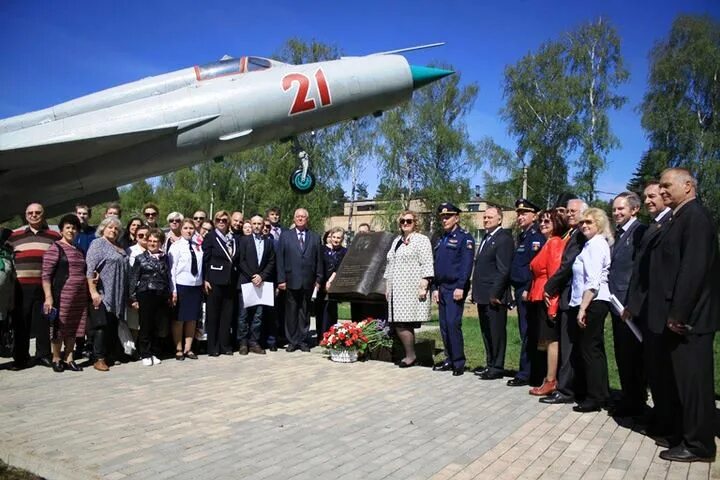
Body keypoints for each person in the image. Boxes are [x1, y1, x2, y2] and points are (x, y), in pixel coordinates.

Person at [642, 168, 718, 463]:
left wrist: (678, 312)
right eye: (659, 186)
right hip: (678, 317)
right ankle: (684, 433)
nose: (661, 191)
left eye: (666, 186)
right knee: (680, 381)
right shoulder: (680, 217)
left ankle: (700, 445)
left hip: (690, 320)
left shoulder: (695, 217)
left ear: (688, 186)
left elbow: (693, 270)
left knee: (694, 384)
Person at [623, 181, 673, 437]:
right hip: (644, 304)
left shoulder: (669, 224)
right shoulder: (655, 226)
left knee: (660, 368)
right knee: (652, 366)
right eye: (647, 197)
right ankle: (658, 415)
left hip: (658, 307)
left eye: (654, 196)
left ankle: (666, 420)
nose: (650, 200)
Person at [540, 198, 588, 405]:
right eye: (567, 211)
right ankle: (570, 387)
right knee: (568, 344)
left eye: (574, 211)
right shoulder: (572, 234)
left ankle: (567, 390)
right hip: (569, 295)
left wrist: (549, 287)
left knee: (570, 347)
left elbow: (567, 265)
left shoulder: (580, 236)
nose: (569, 214)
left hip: (574, 295)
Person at [607, 192, 648, 417]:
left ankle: (636, 401)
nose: (616, 213)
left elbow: (639, 272)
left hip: (629, 307)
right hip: (616, 303)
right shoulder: (618, 234)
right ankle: (628, 396)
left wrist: (632, 304)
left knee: (633, 356)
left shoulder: (639, 231)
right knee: (622, 354)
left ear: (634, 210)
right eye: (614, 209)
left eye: (621, 209)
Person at [7, 202, 61, 369]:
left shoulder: (54, 236)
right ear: (26, 215)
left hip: (44, 286)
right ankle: (21, 358)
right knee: (20, 322)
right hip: (20, 286)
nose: (34, 215)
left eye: (37, 212)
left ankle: (43, 355)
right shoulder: (14, 236)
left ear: (43, 214)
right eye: (30, 213)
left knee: (43, 321)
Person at [570, 208, 613, 413]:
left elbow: (593, 281)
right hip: (592, 301)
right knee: (594, 349)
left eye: (589, 222)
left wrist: (583, 308)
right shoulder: (591, 244)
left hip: (593, 301)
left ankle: (594, 397)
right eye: (582, 222)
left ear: (599, 224)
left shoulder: (596, 245)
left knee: (589, 350)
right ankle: (601, 393)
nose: (584, 225)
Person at [384, 211, 434, 367]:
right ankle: (409, 354)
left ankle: (411, 356)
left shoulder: (421, 240)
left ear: (415, 223)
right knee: (399, 322)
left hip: (411, 288)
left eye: (409, 221)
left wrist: (424, 285)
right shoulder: (397, 241)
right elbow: (389, 264)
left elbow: (427, 263)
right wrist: (387, 286)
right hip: (396, 289)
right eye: (402, 221)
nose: (405, 223)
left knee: (404, 323)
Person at [528, 210, 569, 396]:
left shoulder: (554, 243)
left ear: (557, 223)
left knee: (551, 341)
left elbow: (554, 275)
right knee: (545, 341)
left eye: (547, 221)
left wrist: (552, 306)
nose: (542, 224)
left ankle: (551, 380)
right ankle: (548, 378)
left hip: (547, 298)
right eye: (541, 221)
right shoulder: (547, 243)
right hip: (538, 296)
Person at [41, 214, 88, 372]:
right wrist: (48, 297)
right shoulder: (55, 248)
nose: (71, 230)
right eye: (68, 227)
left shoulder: (80, 250)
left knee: (74, 326)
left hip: (79, 295)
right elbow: (46, 275)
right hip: (62, 294)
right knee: (59, 327)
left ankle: (69, 357)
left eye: (74, 228)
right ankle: (56, 358)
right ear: (61, 230)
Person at [431, 203, 474, 376]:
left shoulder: (465, 237)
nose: (445, 219)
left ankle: (458, 362)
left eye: (448, 216)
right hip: (441, 288)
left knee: (453, 324)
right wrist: (434, 287)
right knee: (443, 326)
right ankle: (449, 359)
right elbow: (434, 264)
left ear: (457, 217)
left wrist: (460, 286)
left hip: (455, 287)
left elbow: (466, 264)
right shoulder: (441, 237)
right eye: (442, 217)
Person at [472, 206, 513, 380]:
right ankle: (490, 363)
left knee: (496, 332)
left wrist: (495, 294)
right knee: (486, 331)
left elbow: (503, 270)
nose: (486, 219)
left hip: (494, 296)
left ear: (500, 219)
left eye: (490, 217)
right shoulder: (487, 238)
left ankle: (497, 366)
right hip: (482, 294)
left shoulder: (503, 239)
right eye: (485, 217)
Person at [508, 199, 545, 387]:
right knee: (526, 333)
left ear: (534, 215)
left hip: (529, 291)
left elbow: (537, 268)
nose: (520, 217)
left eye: (524, 213)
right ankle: (530, 372)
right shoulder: (523, 236)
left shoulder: (537, 237)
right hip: (521, 289)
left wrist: (529, 288)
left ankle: (527, 374)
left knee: (529, 333)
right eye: (518, 213)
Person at [86, 216, 129, 372]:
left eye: (116, 228)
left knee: (112, 325)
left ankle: (110, 354)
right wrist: (93, 292)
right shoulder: (98, 244)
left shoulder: (119, 246)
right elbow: (90, 269)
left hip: (118, 293)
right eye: (110, 227)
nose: (113, 230)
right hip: (103, 292)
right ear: (103, 228)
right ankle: (99, 358)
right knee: (101, 326)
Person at [276, 208, 322, 352]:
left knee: (305, 311)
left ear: (307, 219)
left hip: (308, 280)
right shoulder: (285, 236)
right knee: (291, 311)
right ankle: (292, 340)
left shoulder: (315, 237)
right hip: (290, 280)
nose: (300, 219)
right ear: (294, 219)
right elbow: (280, 259)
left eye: (303, 217)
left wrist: (319, 278)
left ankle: (302, 340)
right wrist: (281, 279)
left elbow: (318, 259)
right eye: (298, 216)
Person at [129, 229, 171, 366]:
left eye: (156, 241)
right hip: (145, 293)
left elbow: (168, 277)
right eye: (150, 241)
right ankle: (145, 353)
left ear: (161, 243)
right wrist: (133, 298)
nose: (153, 244)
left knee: (158, 325)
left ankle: (154, 352)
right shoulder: (140, 258)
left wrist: (170, 293)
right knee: (146, 325)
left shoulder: (166, 258)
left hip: (161, 294)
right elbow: (133, 279)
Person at [236, 215, 276, 355]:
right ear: (251, 225)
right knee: (244, 314)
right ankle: (243, 342)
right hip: (247, 281)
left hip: (261, 283)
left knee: (258, 315)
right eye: (255, 223)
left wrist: (262, 276)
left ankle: (254, 341)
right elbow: (241, 261)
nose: (257, 226)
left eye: (260, 223)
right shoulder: (243, 240)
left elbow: (271, 261)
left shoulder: (269, 242)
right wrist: (253, 276)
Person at [202, 210, 238, 356]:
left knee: (226, 315)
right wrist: (205, 278)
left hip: (230, 281)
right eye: (218, 220)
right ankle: (213, 347)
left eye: (224, 220)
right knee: (213, 315)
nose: (221, 222)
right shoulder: (210, 237)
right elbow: (205, 259)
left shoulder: (232, 238)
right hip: (214, 280)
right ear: (215, 221)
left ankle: (225, 345)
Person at [168, 219, 204, 360]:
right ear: (181, 230)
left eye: (191, 228)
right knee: (179, 319)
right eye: (186, 228)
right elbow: (171, 270)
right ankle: (178, 348)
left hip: (196, 286)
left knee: (192, 319)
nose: (189, 231)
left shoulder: (198, 246)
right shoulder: (176, 247)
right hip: (181, 286)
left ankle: (189, 348)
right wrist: (174, 290)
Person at [316, 227, 347, 343]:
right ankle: (320, 336)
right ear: (330, 237)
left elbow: (339, 267)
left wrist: (330, 282)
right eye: (334, 237)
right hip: (321, 283)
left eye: (339, 238)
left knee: (331, 311)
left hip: (334, 284)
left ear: (342, 239)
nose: (336, 240)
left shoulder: (344, 251)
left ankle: (330, 337)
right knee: (320, 310)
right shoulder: (322, 249)